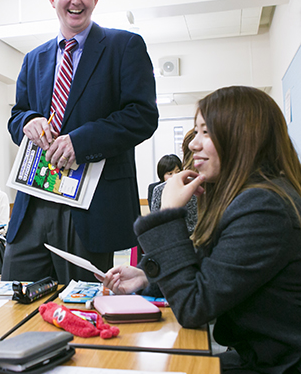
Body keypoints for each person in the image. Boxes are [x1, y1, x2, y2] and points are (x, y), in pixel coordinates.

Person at [101, 86, 301, 373]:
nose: (193, 144)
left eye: (205, 132)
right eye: (196, 132)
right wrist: (146, 275)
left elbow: (194, 307)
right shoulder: (252, 196)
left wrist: (168, 214)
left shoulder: (264, 206)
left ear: (242, 138)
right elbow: (210, 272)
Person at [2, 0, 158, 284]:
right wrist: (28, 120)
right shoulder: (34, 59)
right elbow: (17, 116)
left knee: (81, 307)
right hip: (34, 201)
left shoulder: (124, 46)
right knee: (16, 300)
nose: (76, 1)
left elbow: (142, 116)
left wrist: (81, 141)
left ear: (96, 0)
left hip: (89, 205)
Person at [150, 131, 197, 234]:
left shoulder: (191, 184)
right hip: (171, 234)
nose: (174, 176)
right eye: (169, 173)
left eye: (177, 172)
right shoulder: (158, 189)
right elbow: (155, 220)